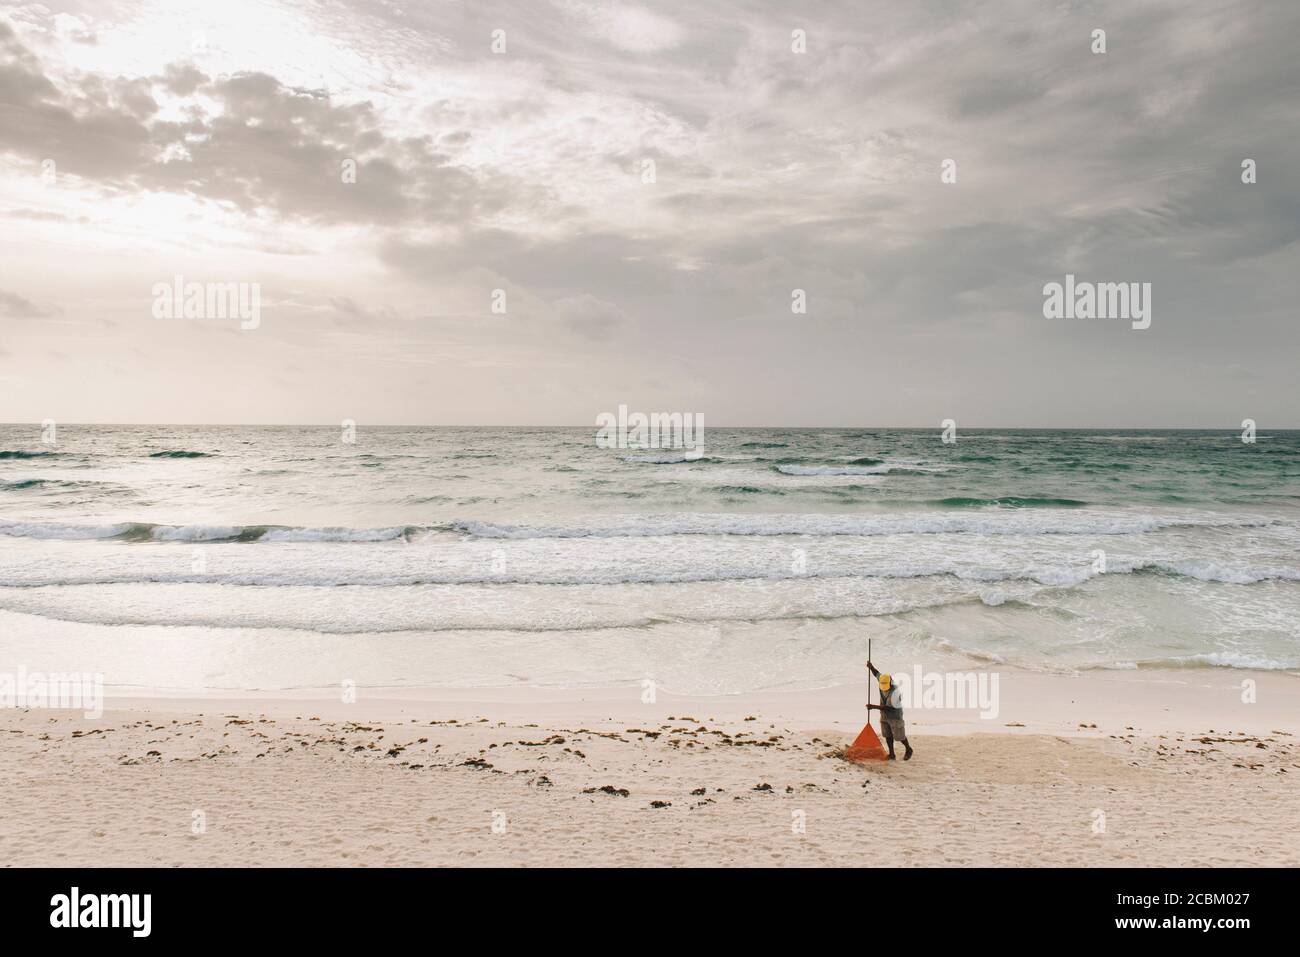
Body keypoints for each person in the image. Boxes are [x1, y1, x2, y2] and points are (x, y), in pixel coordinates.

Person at [866, 660, 913, 761]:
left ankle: (908, 749)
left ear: (890, 682)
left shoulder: (895, 692)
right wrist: (871, 667)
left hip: (895, 715)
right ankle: (892, 754)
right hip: (884, 714)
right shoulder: (883, 680)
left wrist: (873, 707)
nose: (884, 689)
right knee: (887, 735)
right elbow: (876, 674)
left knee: (899, 736)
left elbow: (889, 708)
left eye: (886, 687)